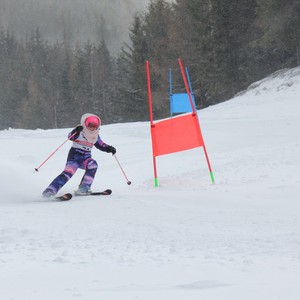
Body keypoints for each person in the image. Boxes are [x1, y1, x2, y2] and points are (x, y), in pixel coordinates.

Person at [42, 113, 116, 198]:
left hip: (86, 158)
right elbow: (70, 137)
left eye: (94, 126)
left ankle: (84, 188)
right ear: (85, 124)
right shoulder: (80, 132)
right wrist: (76, 130)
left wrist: (109, 148)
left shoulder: (95, 135)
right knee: (68, 173)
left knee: (93, 165)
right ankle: (50, 191)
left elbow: (100, 145)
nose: (92, 128)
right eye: (90, 125)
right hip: (74, 157)